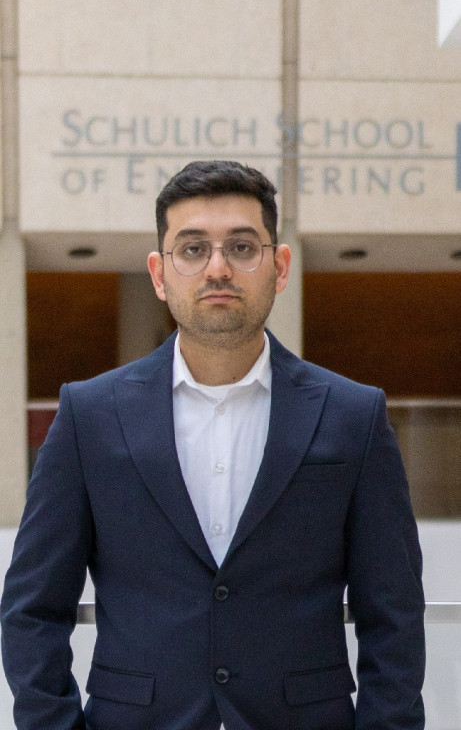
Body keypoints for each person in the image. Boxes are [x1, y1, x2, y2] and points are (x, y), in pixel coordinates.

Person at [1, 160, 425, 730]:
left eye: (242, 248)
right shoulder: (90, 415)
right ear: (159, 273)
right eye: (193, 249)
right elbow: (32, 609)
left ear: (279, 267)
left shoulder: (354, 415)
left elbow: (394, 614)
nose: (218, 268)